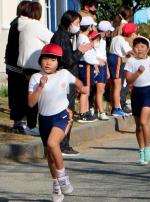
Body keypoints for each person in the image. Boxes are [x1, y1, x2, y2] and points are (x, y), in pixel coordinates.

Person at [28, 44, 89, 202]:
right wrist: (40, 87)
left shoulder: (64, 74)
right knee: (50, 156)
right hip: (44, 119)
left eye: (52, 59)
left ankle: (63, 177)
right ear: (40, 61)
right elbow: (30, 103)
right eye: (45, 59)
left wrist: (82, 89)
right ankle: (56, 186)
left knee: (52, 143)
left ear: (59, 62)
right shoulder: (35, 78)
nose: (48, 62)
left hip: (62, 115)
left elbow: (78, 83)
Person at [51, 10, 93, 156]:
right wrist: (80, 51)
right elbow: (68, 60)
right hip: (64, 79)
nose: (78, 26)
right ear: (69, 23)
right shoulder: (61, 37)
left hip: (65, 79)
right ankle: (62, 145)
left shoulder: (65, 35)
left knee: (65, 111)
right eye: (76, 23)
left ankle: (62, 144)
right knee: (67, 112)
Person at [17, 1, 53, 136]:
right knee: (36, 97)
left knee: (30, 95)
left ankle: (28, 124)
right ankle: (32, 126)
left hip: (25, 66)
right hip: (35, 66)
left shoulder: (23, 25)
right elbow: (52, 38)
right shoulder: (36, 26)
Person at [124, 36, 150, 165]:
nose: (139, 49)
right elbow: (129, 80)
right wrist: (138, 73)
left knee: (144, 121)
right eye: (137, 47)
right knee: (139, 126)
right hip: (136, 93)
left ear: (148, 49)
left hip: (148, 92)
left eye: (142, 47)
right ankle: (142, 150)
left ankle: (148, 148)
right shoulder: (131, 61)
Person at [5, 1, 31, 133]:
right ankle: (18, 123)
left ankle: (20, 122)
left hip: (14, 64)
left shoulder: (17, 22)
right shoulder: (20, 25)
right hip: (17, 65)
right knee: (18, 94)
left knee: (19, 94)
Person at [108, 23, 137, 117]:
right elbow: (130, 52)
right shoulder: (122, 41)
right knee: (118, 86)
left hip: (111, 58)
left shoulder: (116, 38)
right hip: (117, 60)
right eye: (133, 33)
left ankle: (114, 107)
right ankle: (117, 108)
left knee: (113, 85)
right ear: (129, 34)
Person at [92, 21, 115, 120]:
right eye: (109, 31)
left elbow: (103, 56)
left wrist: (107, 70)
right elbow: (92, 53)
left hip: (103, 66)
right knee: (99, 90)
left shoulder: (103, 40)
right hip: (97, 66)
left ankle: (97, 110)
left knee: (100, 89)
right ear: (106, 31)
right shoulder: (96, 40)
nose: (110, 33)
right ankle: (101, 112)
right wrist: (96, 63)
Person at [76, 16, 98, 123]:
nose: (93, 28)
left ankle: (85, 112)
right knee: (85, 90)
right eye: (92, 26)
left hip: (84, 65)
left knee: (86, 90)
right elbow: (87, 56)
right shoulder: (83, 38)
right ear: (89, 27)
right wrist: (97, 62)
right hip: (86, 66)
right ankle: (83, 113)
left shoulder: (81, 37)